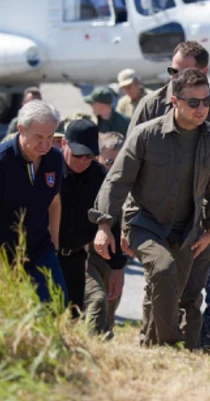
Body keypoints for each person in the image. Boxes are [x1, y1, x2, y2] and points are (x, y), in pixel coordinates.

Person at [91, 69, 210, 347]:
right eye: (193, 102)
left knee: (177, 291)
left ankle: (154, 346)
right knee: (163, 270)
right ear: (175, 101)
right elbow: (117, 182)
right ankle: (168, 343)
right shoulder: (146, 135)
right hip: (146, 224)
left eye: (206, 101)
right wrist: (104, 226)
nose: (201, 108)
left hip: (190, 229)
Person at [128, 40, 210, 351]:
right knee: (160, 281)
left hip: (203, 218)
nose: (174, 80)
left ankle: (190, 354)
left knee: (195, 292)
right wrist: (124, 224)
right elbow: (126, 169)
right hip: (155, 216)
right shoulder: (151, 106)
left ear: (204, 73)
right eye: (172, 71)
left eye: (183, 73)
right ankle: (152, 347)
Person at [0, 100, 67, 304]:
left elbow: (54, 203)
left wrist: (54, 244)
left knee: (56, 305)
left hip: (40, 250)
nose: (45, 145)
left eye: (50, 137)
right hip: (0, 253)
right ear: (21, 129)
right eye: (39, 137)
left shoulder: (54, 159)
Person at [54, 119, 125, 322]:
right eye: (78, 155)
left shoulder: (99, 176)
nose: (83, 161)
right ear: (64, 144)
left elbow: (113, 224)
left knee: (74, 318)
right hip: (45, 257)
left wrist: (117, 268)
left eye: (90, 156)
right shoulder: (48, 168)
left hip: (75, 259)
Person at [83, 131, 128, 337]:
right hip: (86, 255)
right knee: (95, 303)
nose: (114, 169)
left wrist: (118, 266)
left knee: (108, 313)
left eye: (120, 162)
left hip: (113, 259)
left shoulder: (129, 184)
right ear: (98, 158)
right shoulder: (89, 180)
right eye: (109, 161)